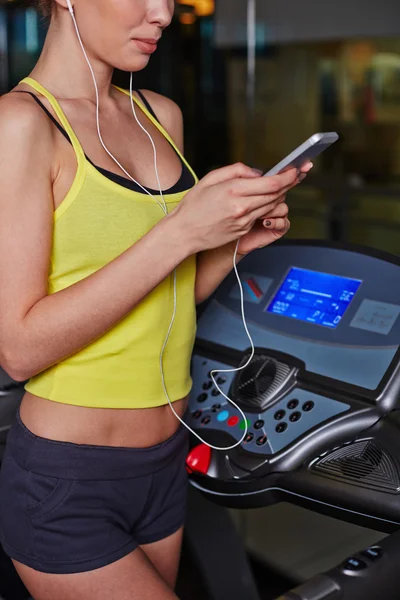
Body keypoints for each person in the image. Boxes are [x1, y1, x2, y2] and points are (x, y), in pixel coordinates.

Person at [0, 0, 312, 598]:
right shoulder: (23, 123)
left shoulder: (158, 115)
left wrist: (229, 247)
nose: (164, 13)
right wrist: (182, 232)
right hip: (68, 477)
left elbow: (167, 300)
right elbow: (17, 348)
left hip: (162, 463)